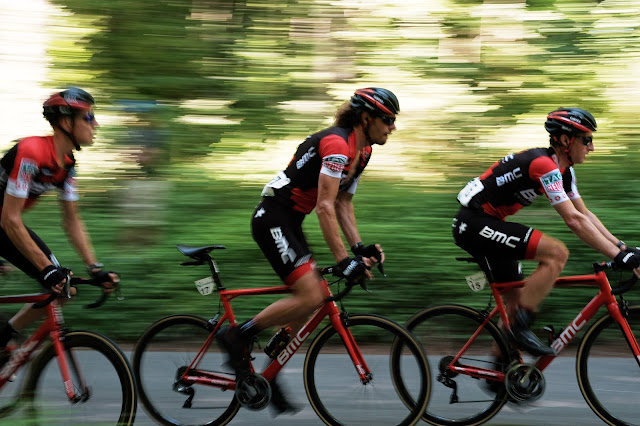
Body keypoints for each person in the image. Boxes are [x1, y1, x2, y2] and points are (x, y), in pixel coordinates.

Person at [216, 87, 396, 414]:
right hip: (273, 217)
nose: (392, 127)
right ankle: (237, 336)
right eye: (387, 119)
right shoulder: (337, 145)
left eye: (394, 120)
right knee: (311, 296)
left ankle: (267, 373)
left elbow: (343, 202)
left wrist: (358, 248)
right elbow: (324, 208)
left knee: (312, 300)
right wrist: (344, 262)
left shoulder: (364, 151)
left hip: (291, 222)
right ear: (366, 117)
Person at [452, 107, 640, 357]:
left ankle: (502, 373)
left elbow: (585, 215)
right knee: (556, 253)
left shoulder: (565, 172)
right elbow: (573, 220)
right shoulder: (543, 165)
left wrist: (622, 247)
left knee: (517, 303)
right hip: (474, 223)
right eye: (587, 139)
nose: (591, 147)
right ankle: (519, 330)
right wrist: (618, 258)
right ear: (565, 140)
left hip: (487, 223)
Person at [0, 87, 118, 352]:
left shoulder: (67, 165)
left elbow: (72, 221)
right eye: (89, 117)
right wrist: (46, 268)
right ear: (66, 122)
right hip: (6, 223)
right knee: (53, 277)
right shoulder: (31, 152)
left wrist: (95, 268)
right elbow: (10, 219)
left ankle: (5, 333)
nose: (95, 124)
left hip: (5, 226)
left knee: (64, 289)